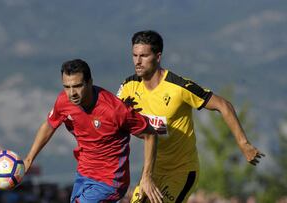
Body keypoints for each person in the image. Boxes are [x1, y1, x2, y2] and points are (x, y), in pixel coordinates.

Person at [116, 30, 265, 203]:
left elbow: (223, 105)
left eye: (144, 55)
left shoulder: (179, 87)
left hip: (182, 171)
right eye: (134, 55)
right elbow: (111, 117)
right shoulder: (129, 86)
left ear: (158, 57)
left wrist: (243, 143)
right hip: (151, 170)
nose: (138, 61)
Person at [24, 59, 163, 203]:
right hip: (83, 174)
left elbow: (150, 134)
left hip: (111, 180)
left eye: (77, 86)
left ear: (89, 82)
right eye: (67, 87)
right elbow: (49, 125)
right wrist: (29, 159)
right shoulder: (63, 101)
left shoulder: (114, 109)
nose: (72, 93)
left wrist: (147, 177)